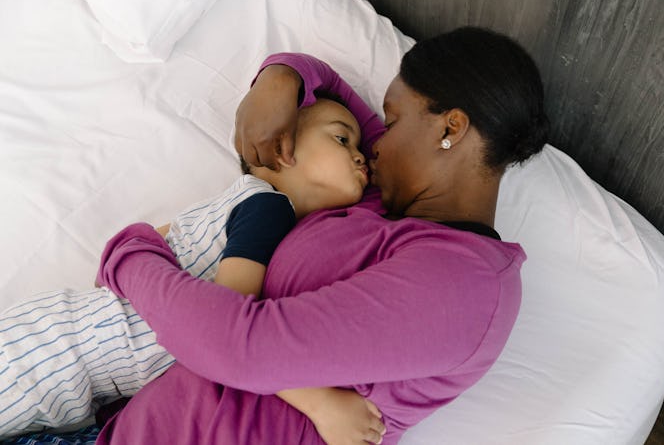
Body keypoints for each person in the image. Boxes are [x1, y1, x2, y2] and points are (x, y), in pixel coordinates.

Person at [91, 26, 549, 444]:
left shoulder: (465, 286)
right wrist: (280, 76)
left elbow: (241, 349)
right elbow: (325, 85)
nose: (374, 145)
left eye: (389, 124)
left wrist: (130, 257)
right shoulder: (376, 196)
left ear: (450, 127)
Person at [0, 98, 386, 444]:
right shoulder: (269, 210)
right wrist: (320, 404)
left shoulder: (238, 205)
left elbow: (146, 245)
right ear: (282, 150)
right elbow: (224, 334)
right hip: (49, 359)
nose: (360, 157)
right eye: (341, 140)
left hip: (60, 350)